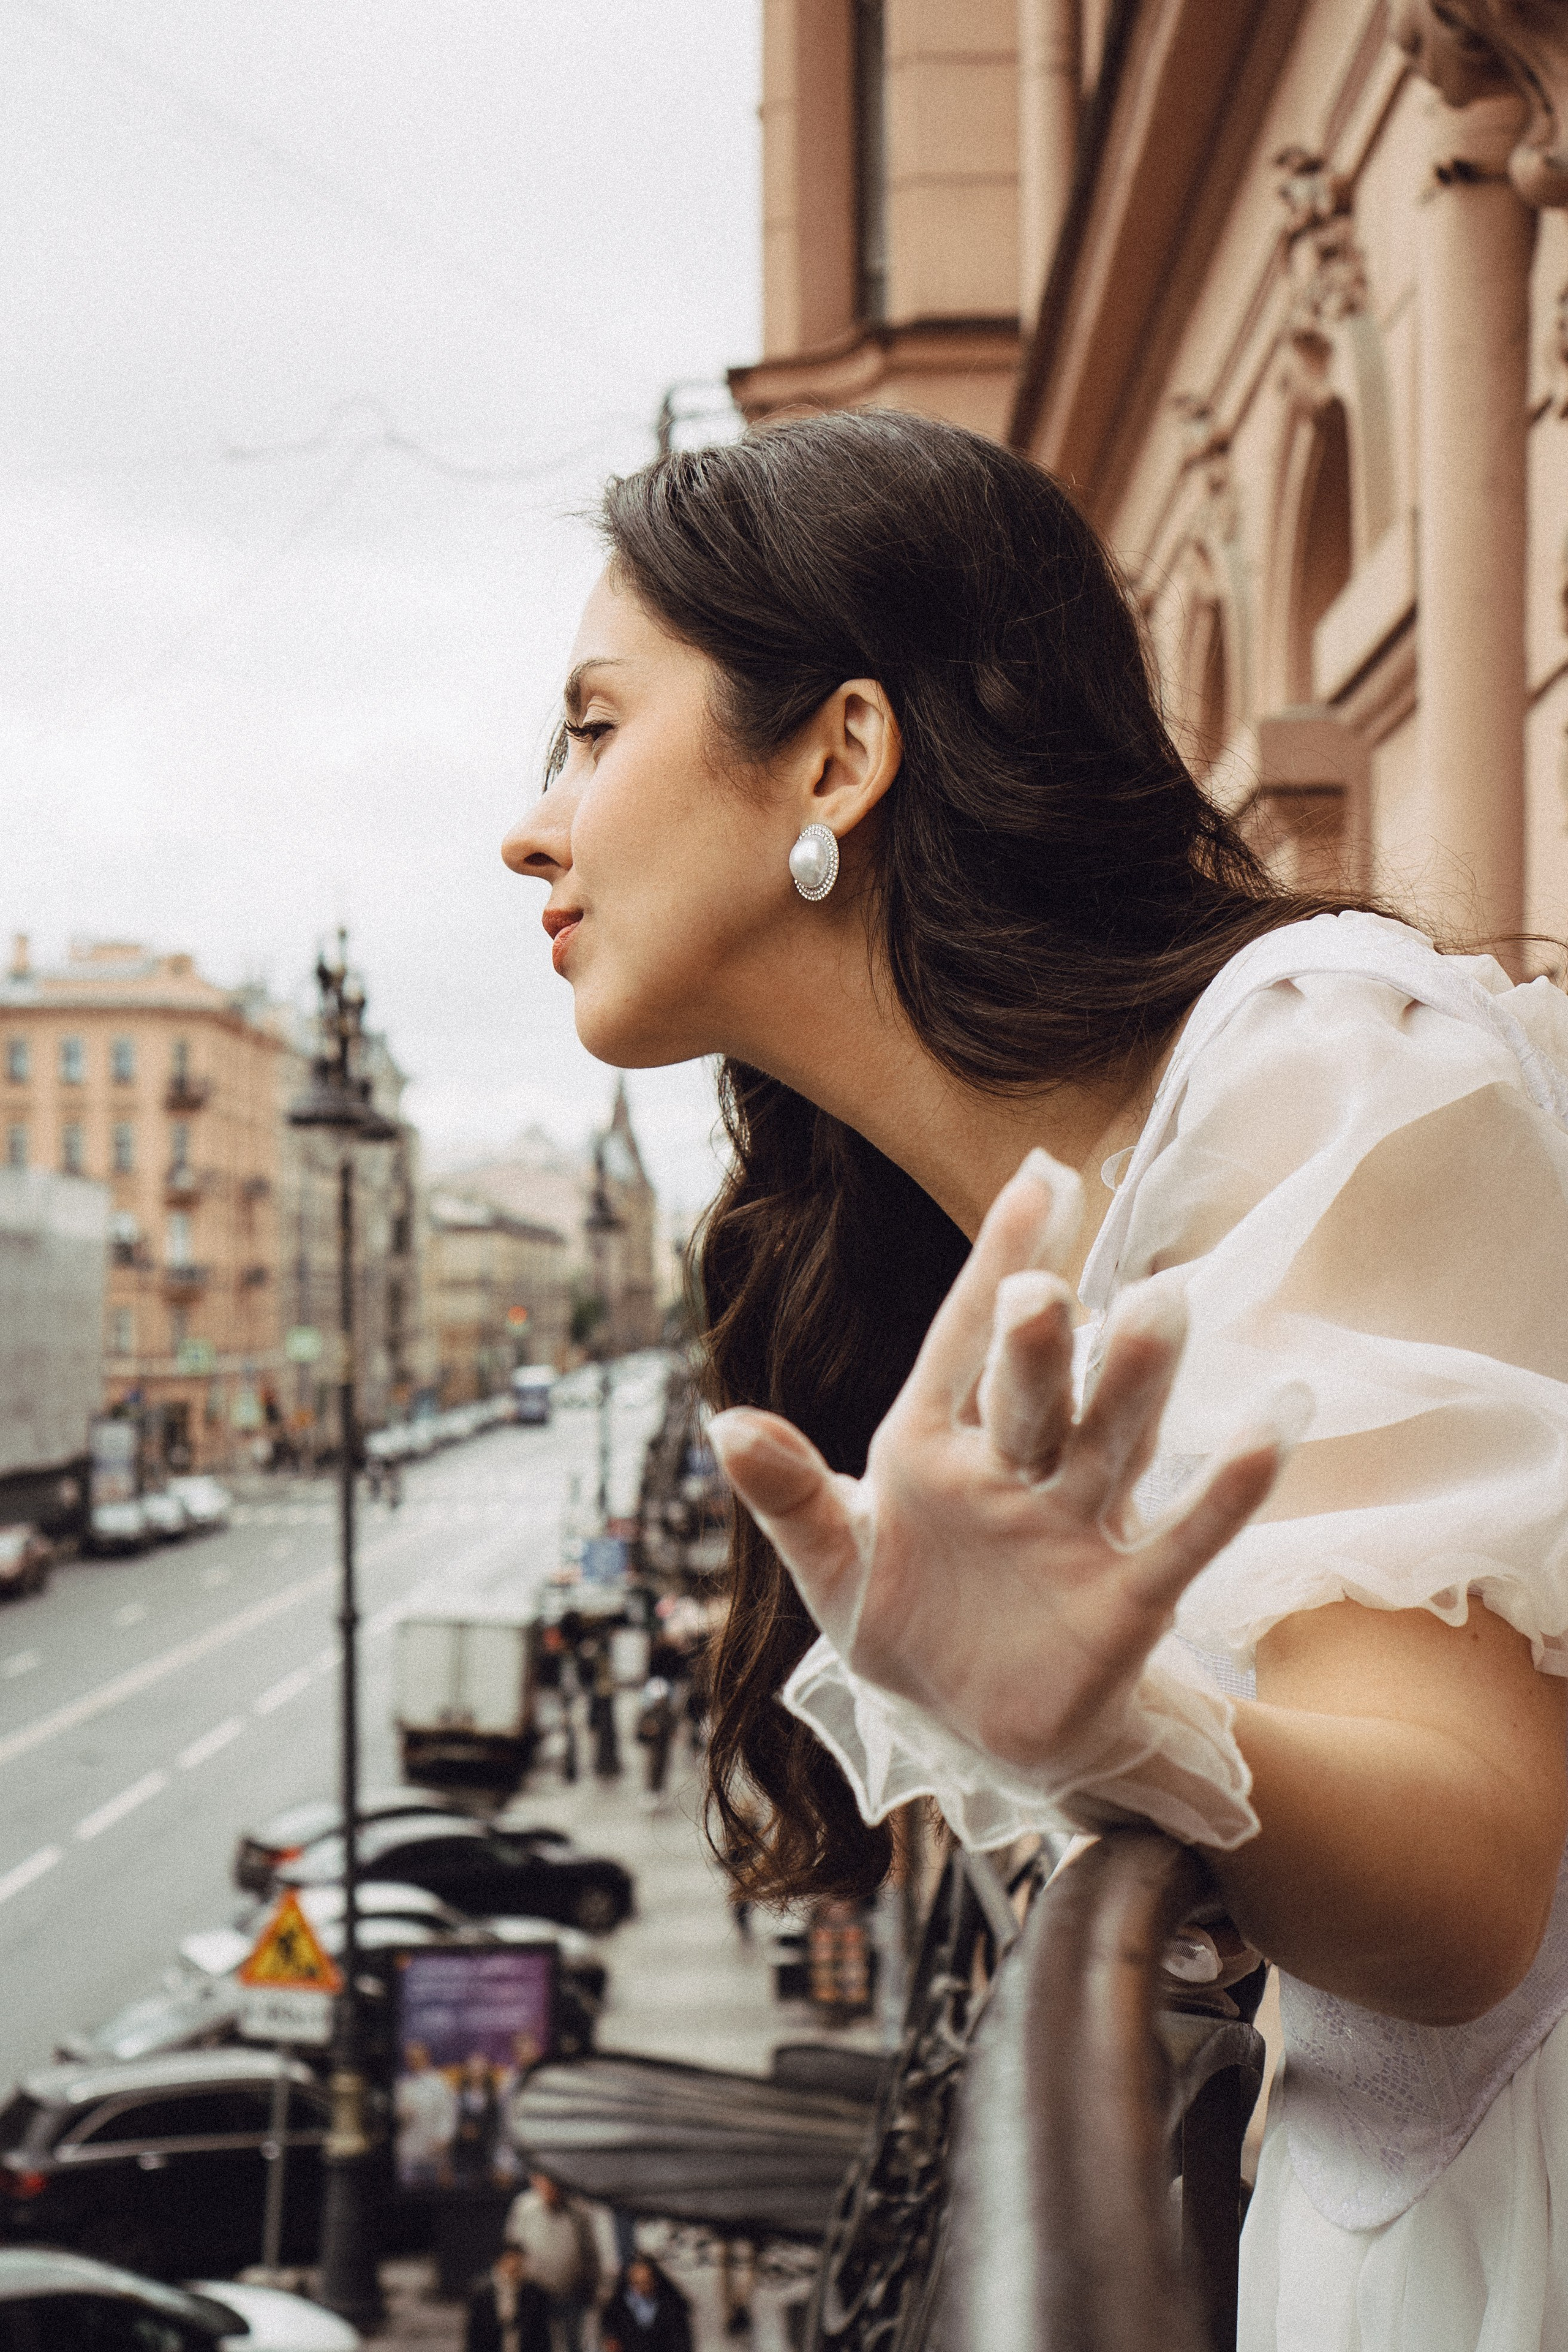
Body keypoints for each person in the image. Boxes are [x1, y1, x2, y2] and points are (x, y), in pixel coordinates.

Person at [502, 406, 1568, 2352]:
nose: (528, 823)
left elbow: (1473, 1879)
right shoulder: (1015, 1222)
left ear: (839, 748)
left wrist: (1115, 1722)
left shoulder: (1324, 1066)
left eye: (590, 725)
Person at [503, 2169, 601, 2352]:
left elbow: (591, 2253)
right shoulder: (524, 2207)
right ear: (536, 2181)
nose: (551, 2188)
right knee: (535, 2343)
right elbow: (512, 2250)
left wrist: (592, 2286)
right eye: (546, 2182)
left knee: (573, 2344)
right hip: (533, 2294)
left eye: (555, 2183)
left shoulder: (579, 2211)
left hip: (571, 2293)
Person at [394, 2040, 457, 2192]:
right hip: (408, 2152)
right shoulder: (402, 2085)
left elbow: (449, 2114)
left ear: (426, 2057)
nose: (412, 2061)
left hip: (433, 2152)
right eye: (409, 2058)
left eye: (416, 2057)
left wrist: (444, 2138)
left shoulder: (440, 2083)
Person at [466, 2246, 554, 2352]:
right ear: (500, 2263)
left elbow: (542, 2336)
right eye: (513, 2268)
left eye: (520, 2267)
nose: (517, 2271)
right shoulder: (482, 2294)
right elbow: (474, 2335)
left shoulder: (535, 2294)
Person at [598, 2256, 693, 2352]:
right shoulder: (618, 2309)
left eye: (646, 2282)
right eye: (636, 2284)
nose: (642, 2289)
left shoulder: (671, 2308)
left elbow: (682, 2343)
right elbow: (611, 2335)